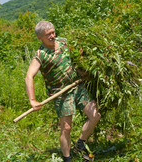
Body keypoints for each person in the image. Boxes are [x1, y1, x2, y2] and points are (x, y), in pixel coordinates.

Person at [25, 21, 101, 162]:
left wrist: (82, 70)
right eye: (49, 34)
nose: (53, 36)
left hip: (77, 86)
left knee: (95, 115)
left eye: (53, 32)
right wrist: (32, 100)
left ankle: (80, 143)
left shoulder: (63, 42)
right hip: (61, 93)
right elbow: (29, 76)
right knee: (66, 127)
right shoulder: (40, 55)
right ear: (40, 37)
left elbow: (78, 56)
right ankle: (67, 158)